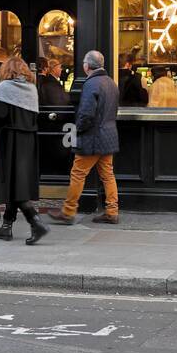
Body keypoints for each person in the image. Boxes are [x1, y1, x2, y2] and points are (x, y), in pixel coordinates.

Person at [0, 56, 49, 245]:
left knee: (13, 184)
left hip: (9, 141)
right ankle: (6, 227)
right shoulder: (31, 89)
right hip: (27, 141)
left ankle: (36, 222)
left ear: (6, 70)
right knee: (18, 183)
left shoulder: (4, 87)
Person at [51, 50, 120, 225]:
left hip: (92, 137)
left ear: (87, 66)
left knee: (78, 173)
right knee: (107, 174)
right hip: (108, 135)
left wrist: (77, 129)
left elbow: (86, 114)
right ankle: (112, 211)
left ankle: (68, 211)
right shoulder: (111, 82)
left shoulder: (91, 84)